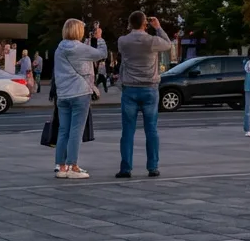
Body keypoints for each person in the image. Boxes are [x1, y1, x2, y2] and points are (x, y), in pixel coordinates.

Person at [116, 12, 171, 179]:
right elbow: (168, 45)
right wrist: (158, 28)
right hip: (149, 88)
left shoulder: (123, 41)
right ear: (145, 24)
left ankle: (126, 168)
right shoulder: (152, 41)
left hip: (130, 88)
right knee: (151, 130)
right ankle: (152, 166)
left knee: (127, 131)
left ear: (129, 23)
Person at [53, 20, 106, 179]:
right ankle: (73, 166)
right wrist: (100, 38)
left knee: (63, 131)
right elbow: (101, 54)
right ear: (78, 31)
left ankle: (61, 166)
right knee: (76, 130)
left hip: (63, 95)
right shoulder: (79, 48)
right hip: (80, 93)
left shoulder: (59, 48)